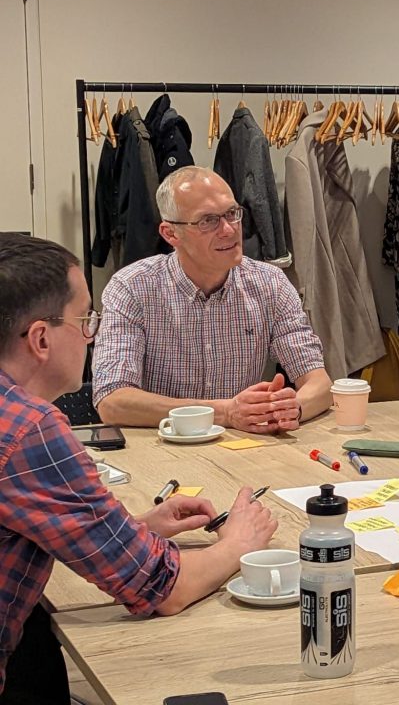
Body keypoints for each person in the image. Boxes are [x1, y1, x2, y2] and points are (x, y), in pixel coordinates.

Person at [0, 233, 278, 704]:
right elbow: (162, 588)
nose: (93, 334)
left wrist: (129, 530)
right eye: (86, 319)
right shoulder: (30, 429)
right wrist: (239, 545)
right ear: (41, 338)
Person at [92, 165, 333, 434]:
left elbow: (319, 384)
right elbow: (112, 401)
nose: (229, 230)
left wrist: (291, 408)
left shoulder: (270, 284)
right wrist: (225, 412)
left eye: (232, 214)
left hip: (242, 448)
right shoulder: (132, 287)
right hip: (160, 449)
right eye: (208, 220)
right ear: (171, 234)